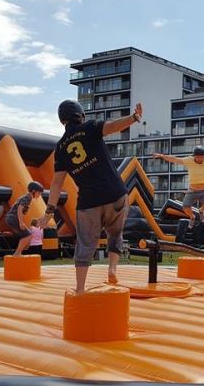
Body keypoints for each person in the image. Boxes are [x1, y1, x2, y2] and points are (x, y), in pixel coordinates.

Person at [46, 99, 142, 293]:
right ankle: (112, 268)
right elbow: (113, 126)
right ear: (81, 116)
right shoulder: (89, 127)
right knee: (115, 233)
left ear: (62, 121)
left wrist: (49, 210)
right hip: (115, 193)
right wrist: (133, 118)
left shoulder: (60, 147)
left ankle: (80, 288)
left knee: (85, 244)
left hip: (88, 202)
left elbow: (57, 183)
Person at [5, 181, 44, 257]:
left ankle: (19, 252)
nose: (40, 195)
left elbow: (21, 212)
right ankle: (17, 253)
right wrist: (20, 222)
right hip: (13, 218)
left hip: (11, 218)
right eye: (39, 193)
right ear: (33, 191)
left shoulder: (28, 198)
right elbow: (20, 208)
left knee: (27, 235)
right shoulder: (27, 197)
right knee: (28, 235)